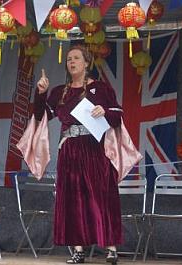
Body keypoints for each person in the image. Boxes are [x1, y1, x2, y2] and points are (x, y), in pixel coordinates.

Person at [34, 45, 123, 264]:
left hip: (94, 148)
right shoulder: (59, 92)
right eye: (68, 59)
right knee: (73, 199)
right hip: (69, 149)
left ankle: (110, 248)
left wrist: (106, 111)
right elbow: (40, 116)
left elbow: (118, 116)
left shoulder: (100, 88)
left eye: (75, 58)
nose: (71, 62)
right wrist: (41, 94)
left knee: (101, 195)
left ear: (86, 63)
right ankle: (78, 250)